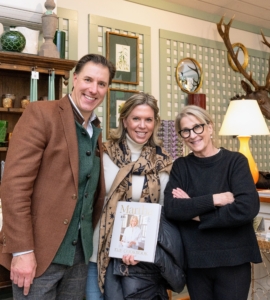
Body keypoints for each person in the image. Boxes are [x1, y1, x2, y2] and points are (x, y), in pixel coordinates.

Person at [0, 53, 116, 299]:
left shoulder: (95, 129)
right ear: (74, 80)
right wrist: (22, 251)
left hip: (79, 258)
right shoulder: (41, 114)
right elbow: (14, 187)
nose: (93, 89)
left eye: (102, 84)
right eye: (88, 79)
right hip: (37, 256)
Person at [89, 92, 185, 300]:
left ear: (155, 123)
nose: (142, 126)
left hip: (140, 259)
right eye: (136, 118)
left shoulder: (164, 160)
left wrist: (137, 248)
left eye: (148, 119)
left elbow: (162, 212)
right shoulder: (103, 154)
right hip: (98, 253)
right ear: (124, 121)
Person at [164, 105, 262, 300]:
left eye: (197, 127)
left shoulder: (236, 162)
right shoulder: (181, 166)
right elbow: (172, 208)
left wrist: (196, 211)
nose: (192, 135)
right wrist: (215, 199)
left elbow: (246, 208)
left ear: (209, 127)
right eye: (186, 131)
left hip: (233, 259)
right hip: (196, 261)